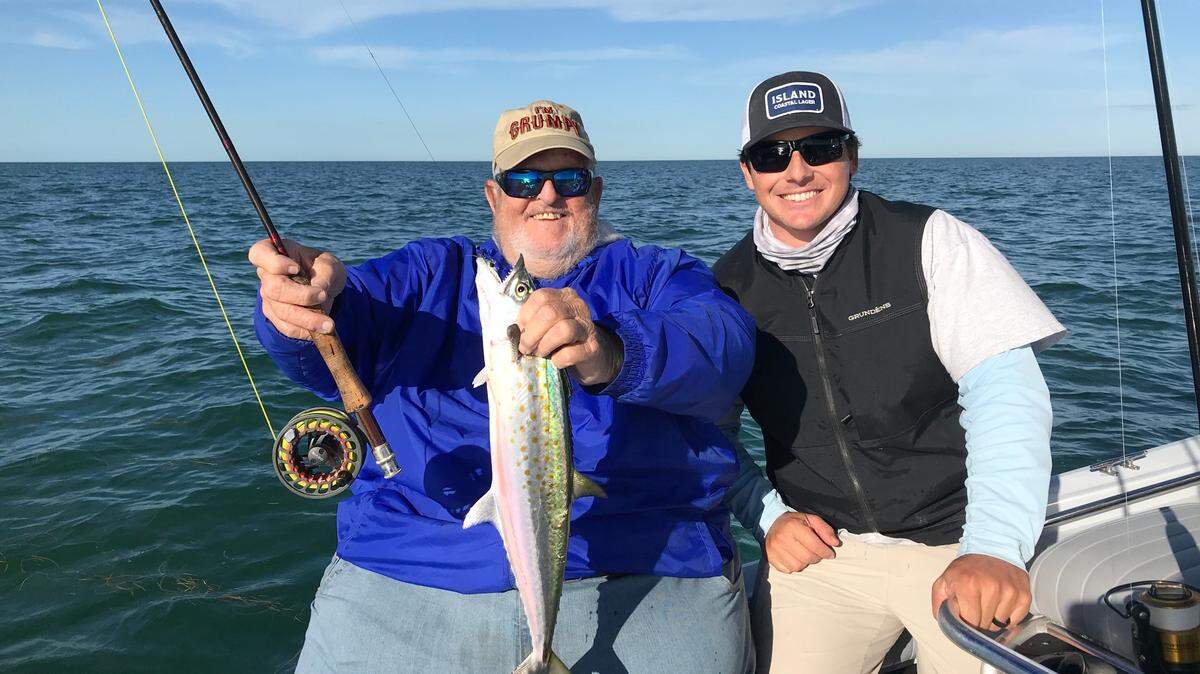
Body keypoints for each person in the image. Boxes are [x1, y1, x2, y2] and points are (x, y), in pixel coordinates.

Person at [250, 99, 757, 673]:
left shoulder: (657, 275)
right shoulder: (432, 274)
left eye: (569, 179)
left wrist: (612, 349)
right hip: (409, 565)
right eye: (524, 180)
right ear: (494, 195)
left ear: (595, 192)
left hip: (646, 561)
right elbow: (341, 332)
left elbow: (724, 346)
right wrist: (302, 304)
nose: (547, 196)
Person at [715, 71, 1065, 674]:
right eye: (771, 154)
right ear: (748, 172)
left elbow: (1007, 395)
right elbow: (709, 433)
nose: (796, 171)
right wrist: (767, 515)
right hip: (823, 557)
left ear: (851, 155)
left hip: (955, 544)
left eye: (819, 147)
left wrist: (993, 548)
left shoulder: (931, 240)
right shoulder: (725, 288)